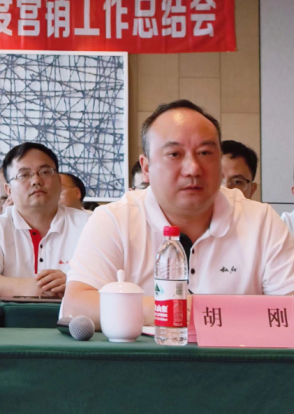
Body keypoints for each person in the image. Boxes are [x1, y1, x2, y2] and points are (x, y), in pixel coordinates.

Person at [64, 100, 294, 328]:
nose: (193, 168)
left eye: (205, 153)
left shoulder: (262, 221)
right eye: (174, 154)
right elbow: (76, 305)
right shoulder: (114, 219)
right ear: (146, 168)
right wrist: (171, 310)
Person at [0, 144, 89, 299]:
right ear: (9, 190)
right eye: (23, 175)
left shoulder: (88, 225)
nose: (36, 180)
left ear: (59, 181)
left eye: (45, 172)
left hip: (74, 313)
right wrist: (27, 287)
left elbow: (108, 278)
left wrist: (75, 284)